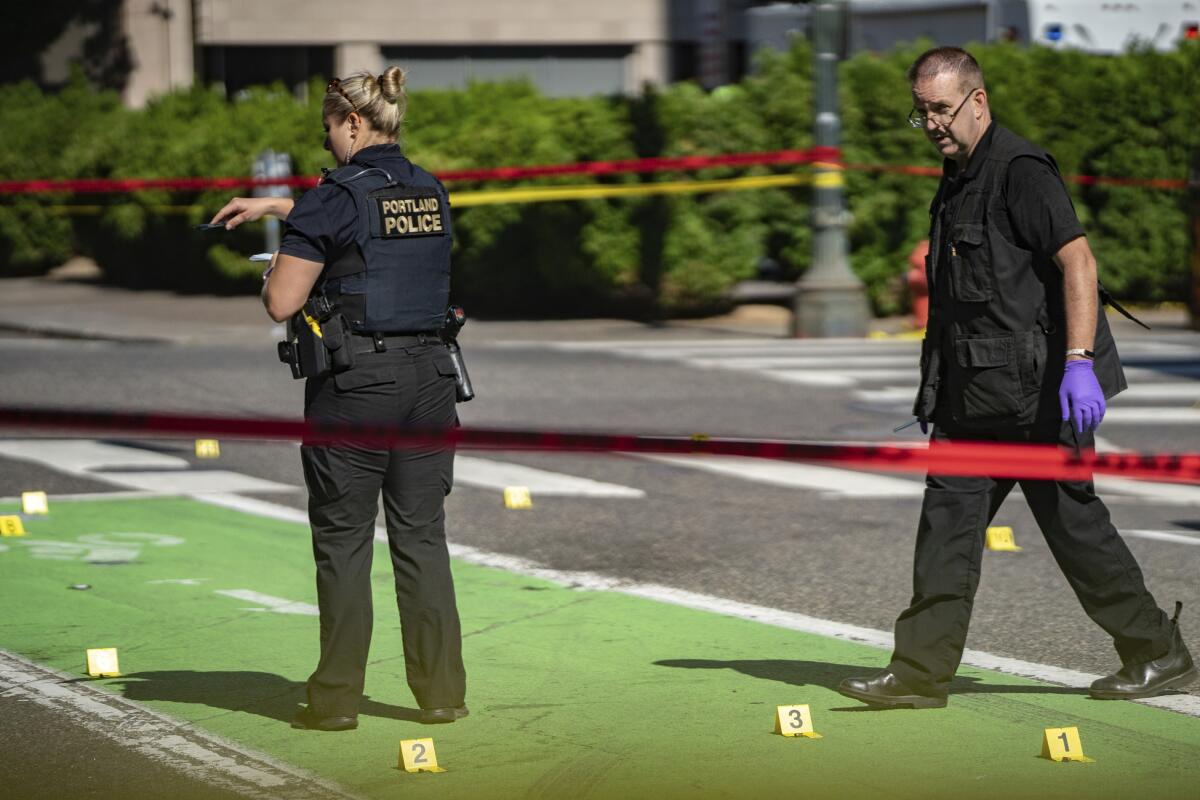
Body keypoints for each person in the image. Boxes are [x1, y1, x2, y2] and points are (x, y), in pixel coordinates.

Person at [838, 47, 1195, 708]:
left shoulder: (1019, 170)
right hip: (973, 396)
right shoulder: (959, 174)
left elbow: (1079, 263)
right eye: (922, 113)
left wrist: (1080, 365)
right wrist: (934, 387)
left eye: (941, 109)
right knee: (944, 532)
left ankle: (1157, 653)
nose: (933, 124)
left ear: (978, 100)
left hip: (1038, 398)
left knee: (1077, 533)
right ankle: (918, 675)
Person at [211, 67, 468, 730]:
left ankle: (334, 704)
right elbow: (368, 229)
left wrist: (274, 264)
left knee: (345, 542)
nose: (326, 141)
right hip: (433, 381)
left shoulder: (336, 192)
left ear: (352, 122)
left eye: (328, 127)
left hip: (356, 388)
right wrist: (274, 207)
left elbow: (282, 303)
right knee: (422, 539)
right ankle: (441, 696)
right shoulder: (429, 188)